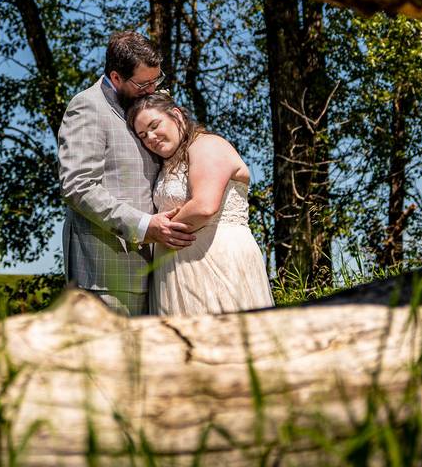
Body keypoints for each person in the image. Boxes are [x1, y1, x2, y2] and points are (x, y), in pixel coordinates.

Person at [58, 31, 195, 316]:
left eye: (156, 80)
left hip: (159, 269)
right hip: (107, 275)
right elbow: (78, 186)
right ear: (116, 77)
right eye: (143, 83)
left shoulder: (139, 106)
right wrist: (144, 226)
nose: (151, 89)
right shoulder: (88, 107)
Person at [127, 92, 274, 316]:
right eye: (143, 135)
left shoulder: (208, 145)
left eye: (155, 125)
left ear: (176, 115)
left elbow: (204, 206)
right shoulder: (170, 163)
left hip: (216, 261)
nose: (151, 137)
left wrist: (151, 232)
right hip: (177, 270)